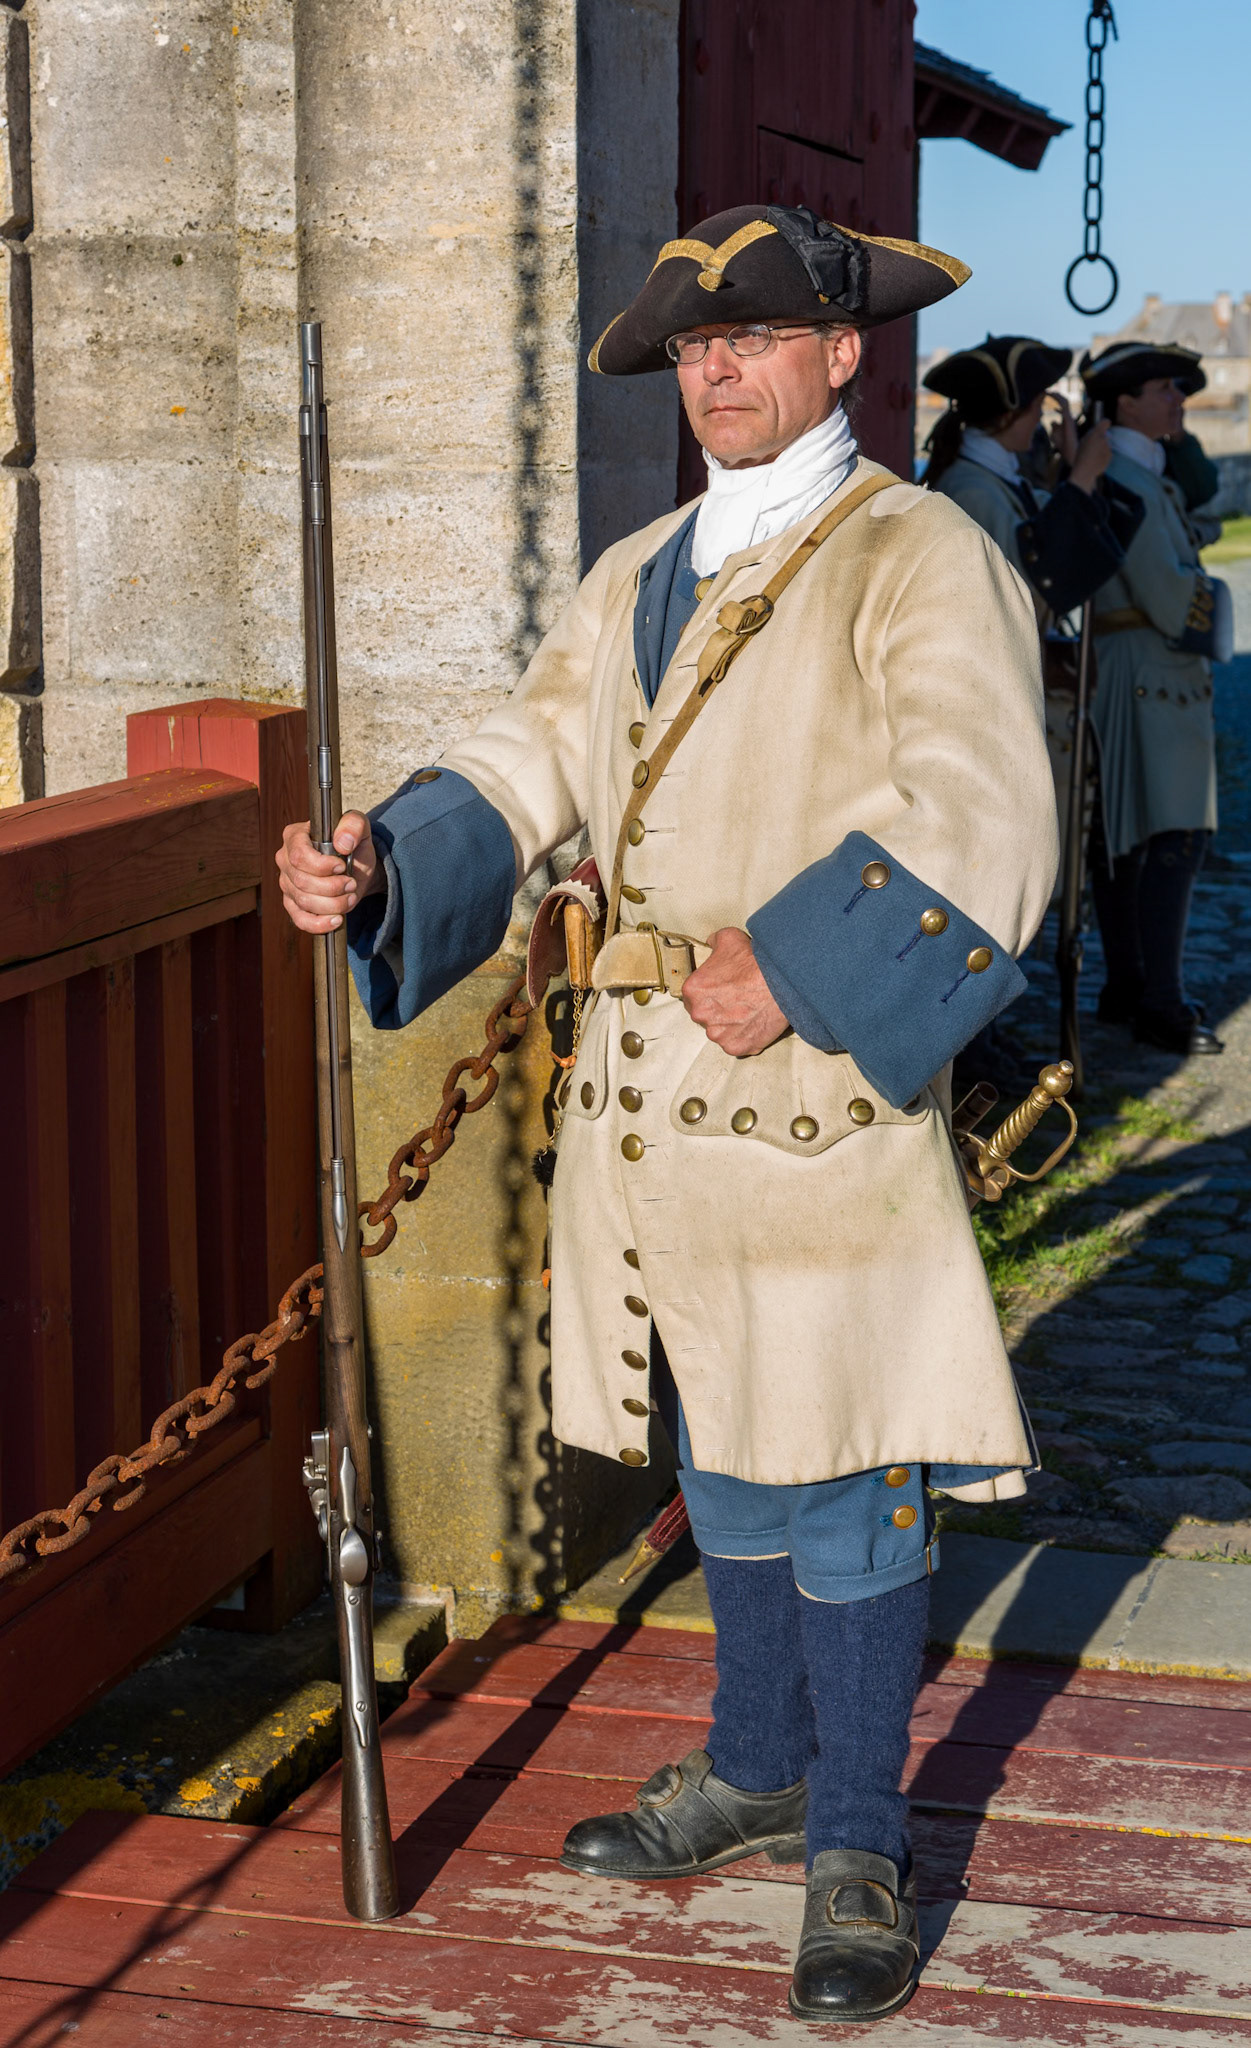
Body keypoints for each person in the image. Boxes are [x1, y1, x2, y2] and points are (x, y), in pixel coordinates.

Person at [277, 205, 1058, 2024]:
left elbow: (984, 804)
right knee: (720, 1443)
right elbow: (526, 753)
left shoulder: (919, 554)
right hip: (648, 1099)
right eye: (696, 349)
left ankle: (859, 1829)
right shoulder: (636, 569)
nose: (718, 370)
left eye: (761, 337)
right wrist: (386, 853)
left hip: (814, 1090)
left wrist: (800, 964)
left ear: (841, 354)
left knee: (849, 1462)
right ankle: (756, 1757)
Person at [920, 336, 1143, 1089]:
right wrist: (1077, 481)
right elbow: (1021, 593)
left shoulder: (996, 477)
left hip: (1011, 698)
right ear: (1019, 411)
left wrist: (1066, 478)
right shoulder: (972, 489)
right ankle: (965, 1052)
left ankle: (978, 1043)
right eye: (1044, 403)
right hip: (982, 713)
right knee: (983, 886)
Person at [1079, 341, 1233, 1055]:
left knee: (1124, 840)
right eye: (1165, 389)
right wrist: (1217, 597)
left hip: (1137, 671)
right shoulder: (1132, 480)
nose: (1178, 400)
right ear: (1125, 402)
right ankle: (1160, 1003)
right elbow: (1171, 597)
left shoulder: (1138, 473)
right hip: (1150, 673)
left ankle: (1129, 986)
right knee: (1172, 837)